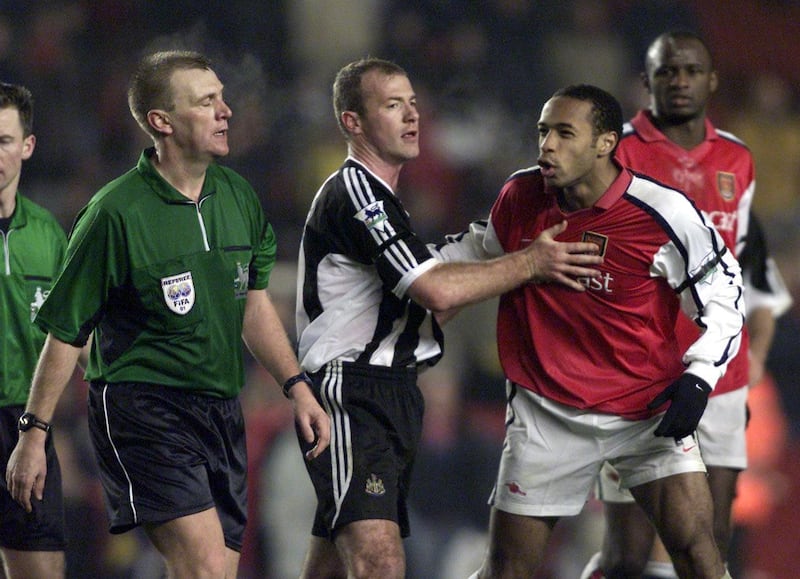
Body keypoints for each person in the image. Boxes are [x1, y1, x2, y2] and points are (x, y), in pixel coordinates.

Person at [5, 50, 331, 579]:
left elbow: (251, 305)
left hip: (222, 412)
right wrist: (33, 435)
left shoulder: (239, 198)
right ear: (162, 122)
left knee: (214, 575)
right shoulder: (115, 213)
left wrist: (296, 387)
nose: (226, 110)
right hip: (144, 408)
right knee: (202, 568)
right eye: (207, 101)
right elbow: (65, 334)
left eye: (223, 97)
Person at [294, 57, 605, 579]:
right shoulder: (357, 193)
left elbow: (439, 295)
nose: (412, 115)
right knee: (380, 560)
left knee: (330, 563)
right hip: (352, 392)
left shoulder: (389, 202)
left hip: (392, 391)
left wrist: (505, 248)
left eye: (414, 104)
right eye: (393, 106)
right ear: (353, 122)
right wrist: (530, 262)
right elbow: (437, 291)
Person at [462, 83, 743, 579]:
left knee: (701, 556)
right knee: (507, 571)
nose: (547, 144)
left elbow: (724, 298)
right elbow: (475, 257)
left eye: (564, 133)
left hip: (645, 415)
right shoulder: (520, 195)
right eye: (543, 131)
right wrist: (410, 279)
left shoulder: (665, 213)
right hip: (547, 412)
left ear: (605, 143)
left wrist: (699, 379)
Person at [580, 31, 793, 579]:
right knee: (628, 551)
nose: (679, 81)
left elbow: (759, 280)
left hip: (721, 379)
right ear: (645, 81)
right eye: (667, 71)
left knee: (709, 546)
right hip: (639, 375)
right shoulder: (614, 153)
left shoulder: (737, 159)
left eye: (691, 71)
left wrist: (754, 365)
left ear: (712, 81)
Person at [0, 82, 68, 578]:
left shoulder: (50, 234)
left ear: (27, 146)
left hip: (26, 430)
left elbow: (77, 338)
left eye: (3, 140)